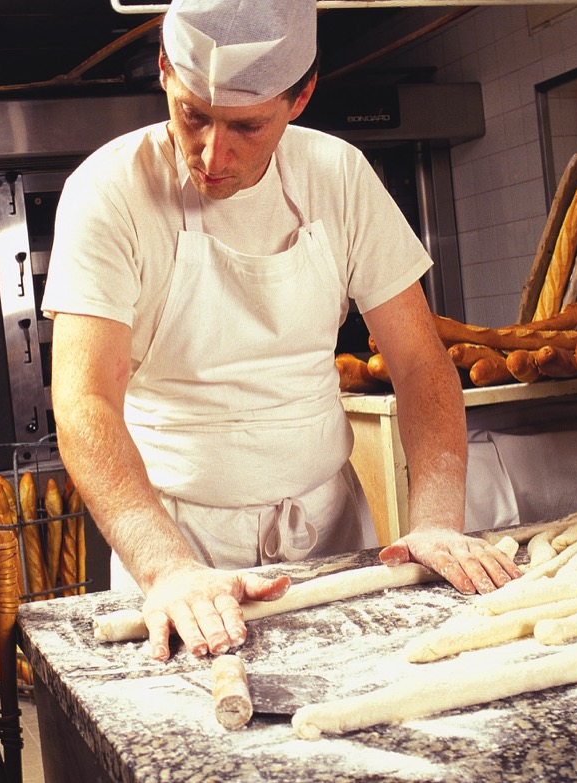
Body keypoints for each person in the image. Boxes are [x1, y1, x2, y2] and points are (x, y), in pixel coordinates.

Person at [41, 0, 520, 662]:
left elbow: (418, 362)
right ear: (163, 71)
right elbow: (83, 401)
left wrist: (436, 520)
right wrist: (166, 567)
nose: (213, 153)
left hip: (332, 534)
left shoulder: (339, 177)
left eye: (247, 125)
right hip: (178, 544)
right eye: (193, 116)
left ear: (301, 98)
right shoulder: (109, 193)